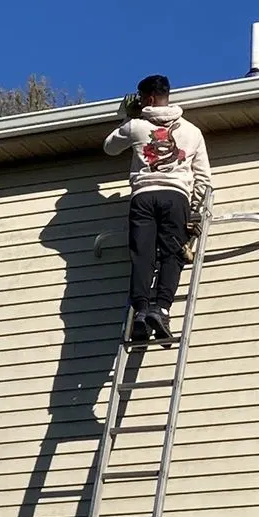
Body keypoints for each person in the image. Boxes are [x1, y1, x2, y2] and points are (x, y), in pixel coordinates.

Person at [103, 74, 212, 342]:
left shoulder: (136, 126)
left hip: (143, 196)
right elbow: (204, 178)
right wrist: (194, 210)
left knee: (142, 254)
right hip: (175, 197)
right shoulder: (192, 131)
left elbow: (109, 148)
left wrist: (128, 117)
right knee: (173, 253)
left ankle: (141, 310)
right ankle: (161, 309)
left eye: (141, 99)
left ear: (149, 98)